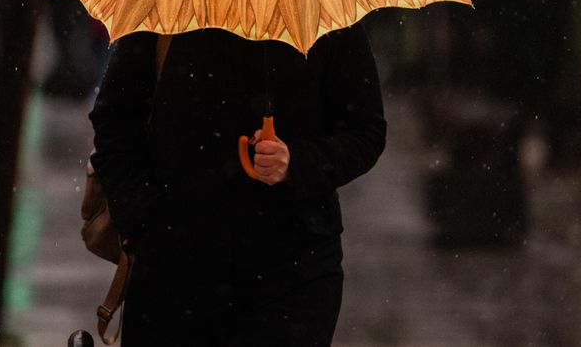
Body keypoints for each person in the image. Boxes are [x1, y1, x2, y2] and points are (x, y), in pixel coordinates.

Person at [89, 25, 386, 346]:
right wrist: (146, 218)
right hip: (173, 275)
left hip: (292, 272)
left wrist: (296, 162)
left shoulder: (321, 13)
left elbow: (365, 131)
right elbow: (115, 123)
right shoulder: (168, 7)